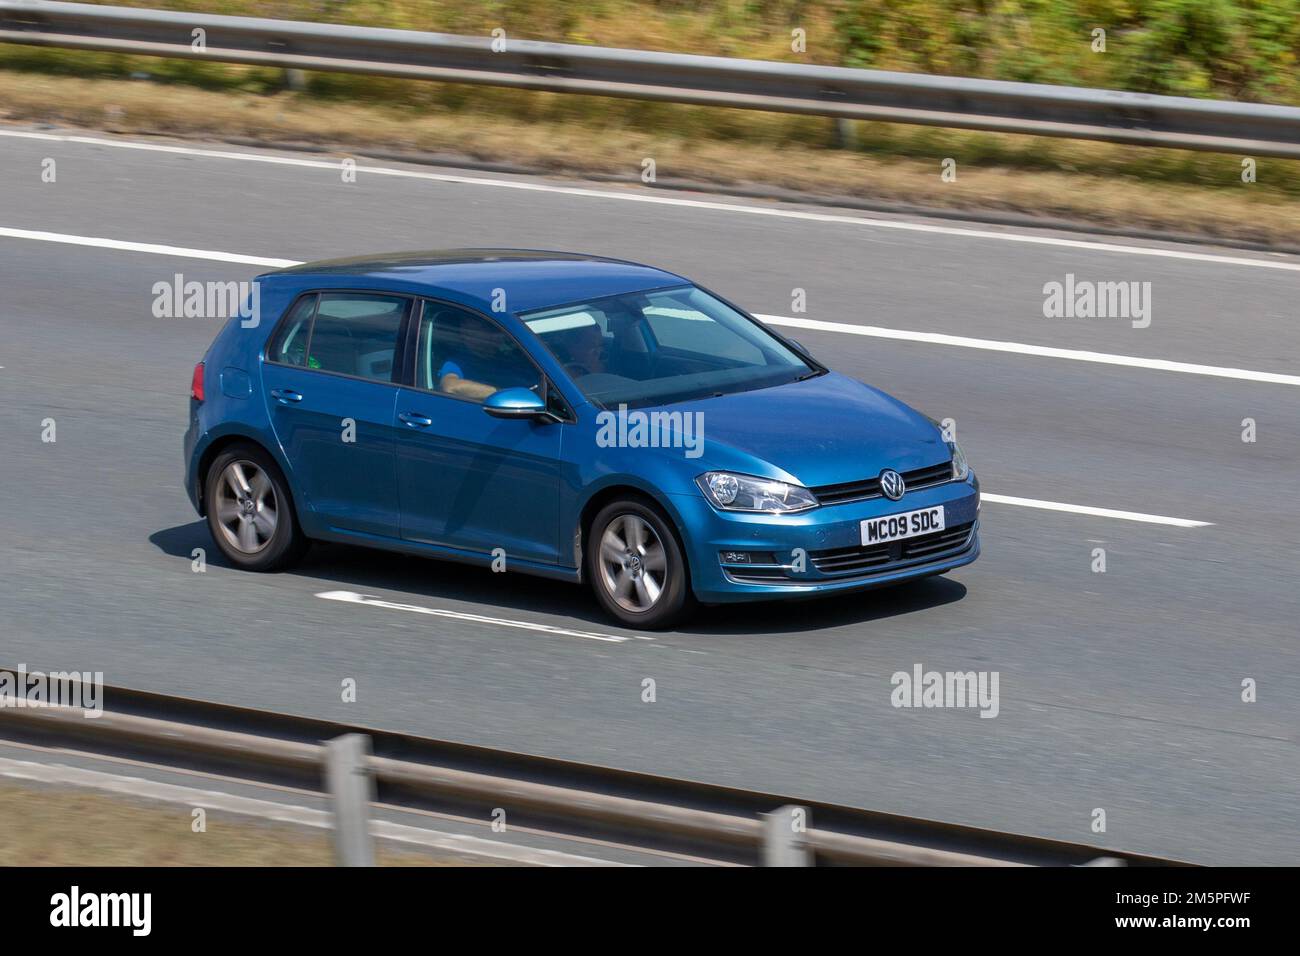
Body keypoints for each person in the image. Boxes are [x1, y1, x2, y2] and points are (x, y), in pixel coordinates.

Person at [436, 315, 537, 400]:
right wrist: (501, 393)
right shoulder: (458, 362)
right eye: (488, 329)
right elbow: (449, 386)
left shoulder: (515, 358)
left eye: (494, 329)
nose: (497, 334)